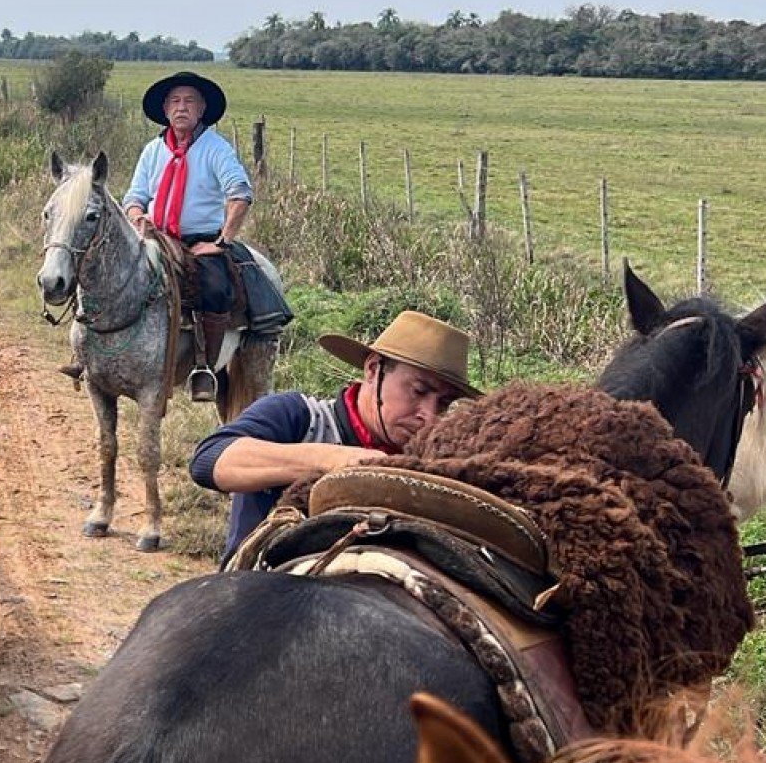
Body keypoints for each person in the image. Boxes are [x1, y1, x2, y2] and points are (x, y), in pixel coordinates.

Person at [190, 310, 479, 563]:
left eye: (443, 403)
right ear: (373, 369)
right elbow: (208, 460)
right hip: (254, 592)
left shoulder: (431, 460)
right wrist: (339, 459)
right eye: (418, 391)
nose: (429, 416)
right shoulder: (298, 416)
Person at [90, 71, 254, 402]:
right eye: (175, 101)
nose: (182, 108)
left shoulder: (216, 149)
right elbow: (134, 196)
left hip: (200, 241)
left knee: (214, 288)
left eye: (190, 101)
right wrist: (138, 217)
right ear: (165, 109)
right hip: (155, 235)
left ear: (202, 109)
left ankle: (204, 368)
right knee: (103, 272)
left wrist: (222, 241)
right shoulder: (153, 150)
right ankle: (92, 355)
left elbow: (239, 193)